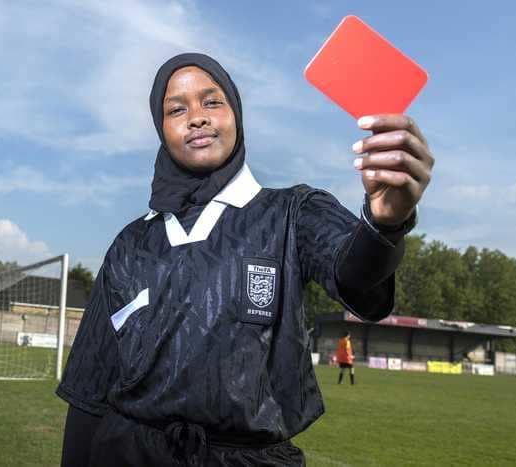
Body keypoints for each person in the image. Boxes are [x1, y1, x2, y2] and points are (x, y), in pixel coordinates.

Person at [57, 53, 434, 466]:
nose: (196, 117)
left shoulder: (292, 212)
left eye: (212, 102)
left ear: (236, 114)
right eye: (176, 109)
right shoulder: (131, 245)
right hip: (127, 453)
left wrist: (385, 224)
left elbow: (358, 275)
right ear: (160, 130)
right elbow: (88, 392)